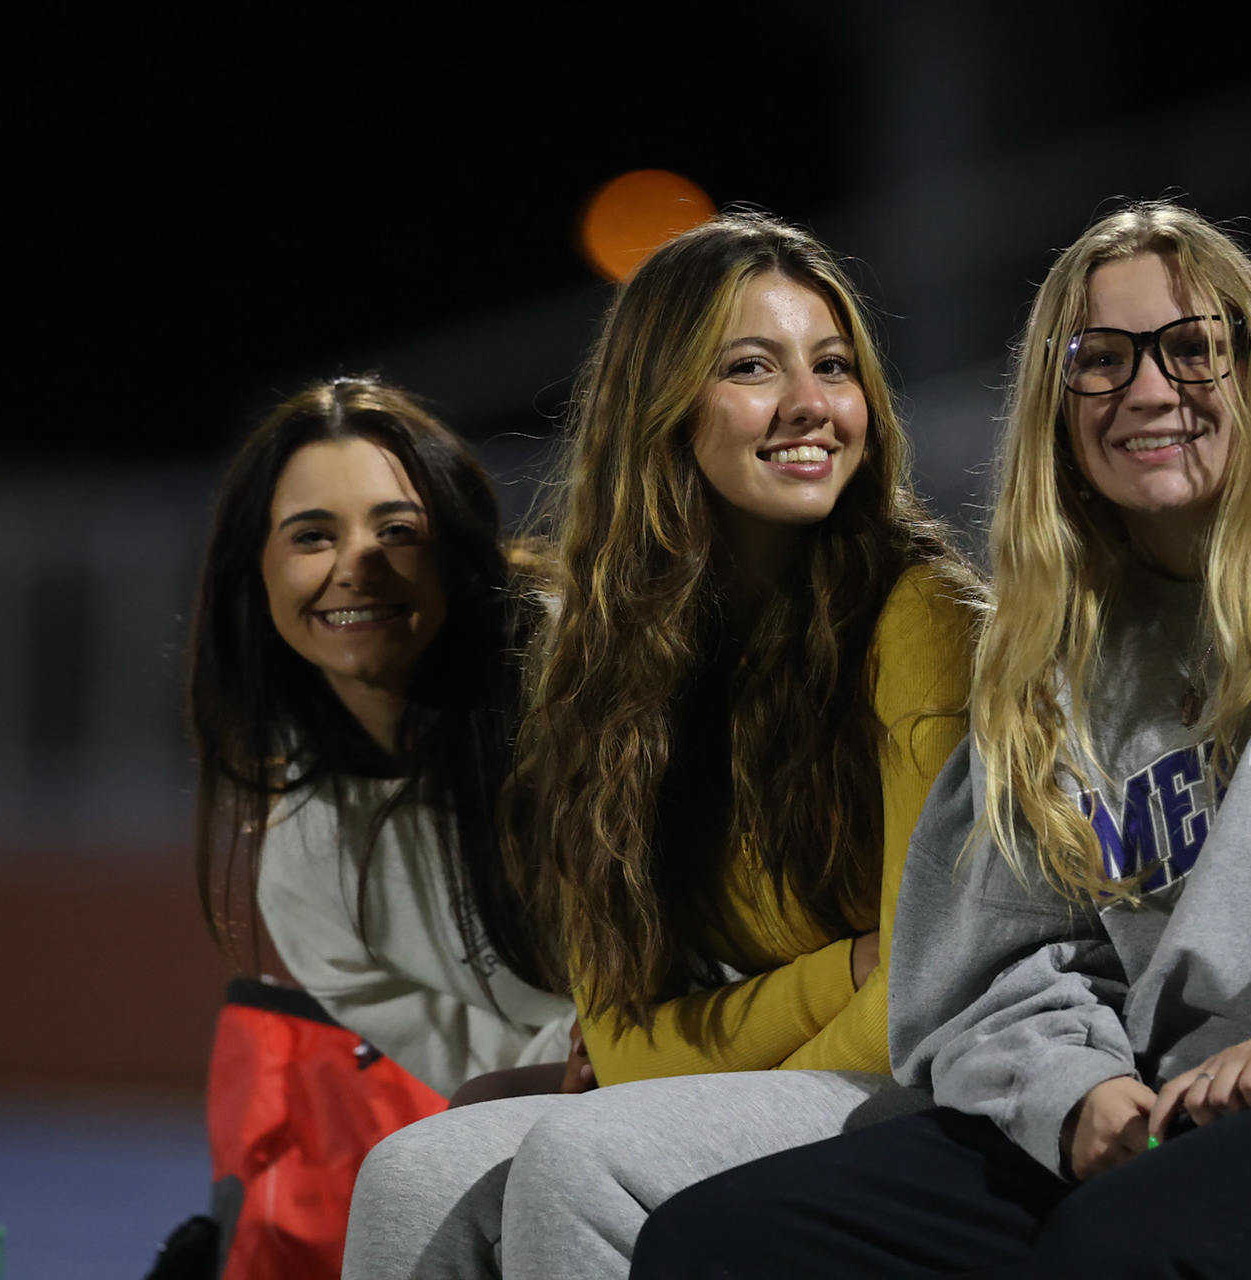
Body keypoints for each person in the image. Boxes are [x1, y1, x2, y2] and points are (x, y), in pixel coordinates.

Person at [630, 201, 1251, 1278]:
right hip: (1178, 1115)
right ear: (1055, 403)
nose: (1150, 389)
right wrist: (1076, 1090)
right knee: (726, 1242)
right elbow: (994, 960)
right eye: (1100, 360)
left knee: (1125, 1245)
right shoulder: (1054, 661)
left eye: (1192, 348)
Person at [342, 214, 981, 1278]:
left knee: (586, 1153)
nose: (811, 405)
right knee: (410, 1172)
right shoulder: (599, 667)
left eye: (833, 367)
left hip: (927, 1077)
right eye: (751, 367)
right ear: (665, 405)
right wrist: (839, 969)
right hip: (795, 1064)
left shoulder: (919, 619)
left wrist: (718, 1067)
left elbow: (921, 992)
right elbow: (624, 1035)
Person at [188, 378, 576, 1278]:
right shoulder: (303, 857)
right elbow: (496, 1072)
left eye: (396, 531)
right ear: (260, 572)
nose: (356, 564)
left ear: (456, 552)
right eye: (313, 536)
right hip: (586, 1103)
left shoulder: (578, 690)